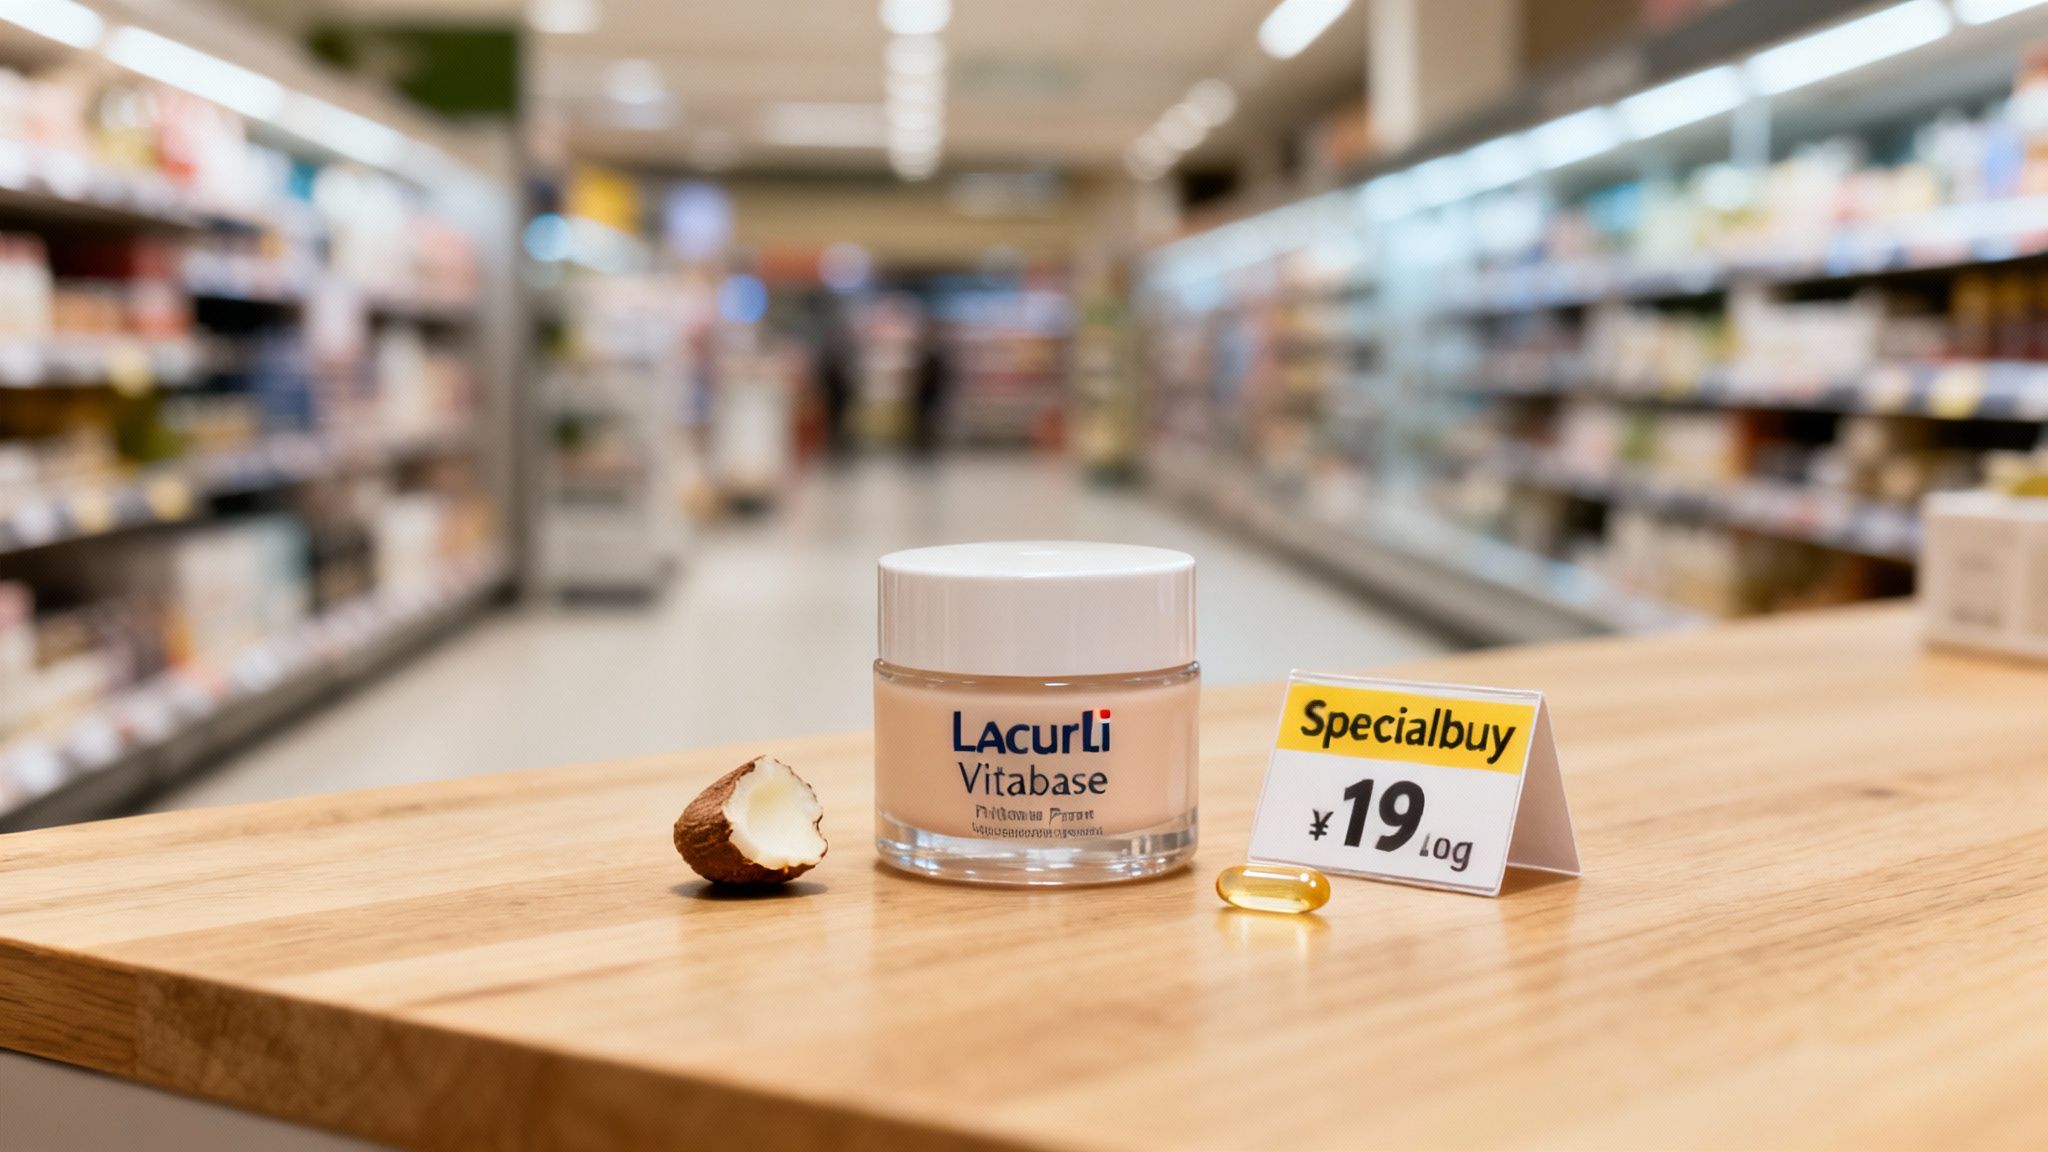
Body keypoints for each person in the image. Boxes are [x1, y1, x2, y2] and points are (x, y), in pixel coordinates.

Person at [911, 315, 950, 457]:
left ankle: (926, 442)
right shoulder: (926, 354)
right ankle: (923, 442)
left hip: (930, 394)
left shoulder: (932, 355)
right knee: (924, 419)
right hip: (925, 395)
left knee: (929, 419)